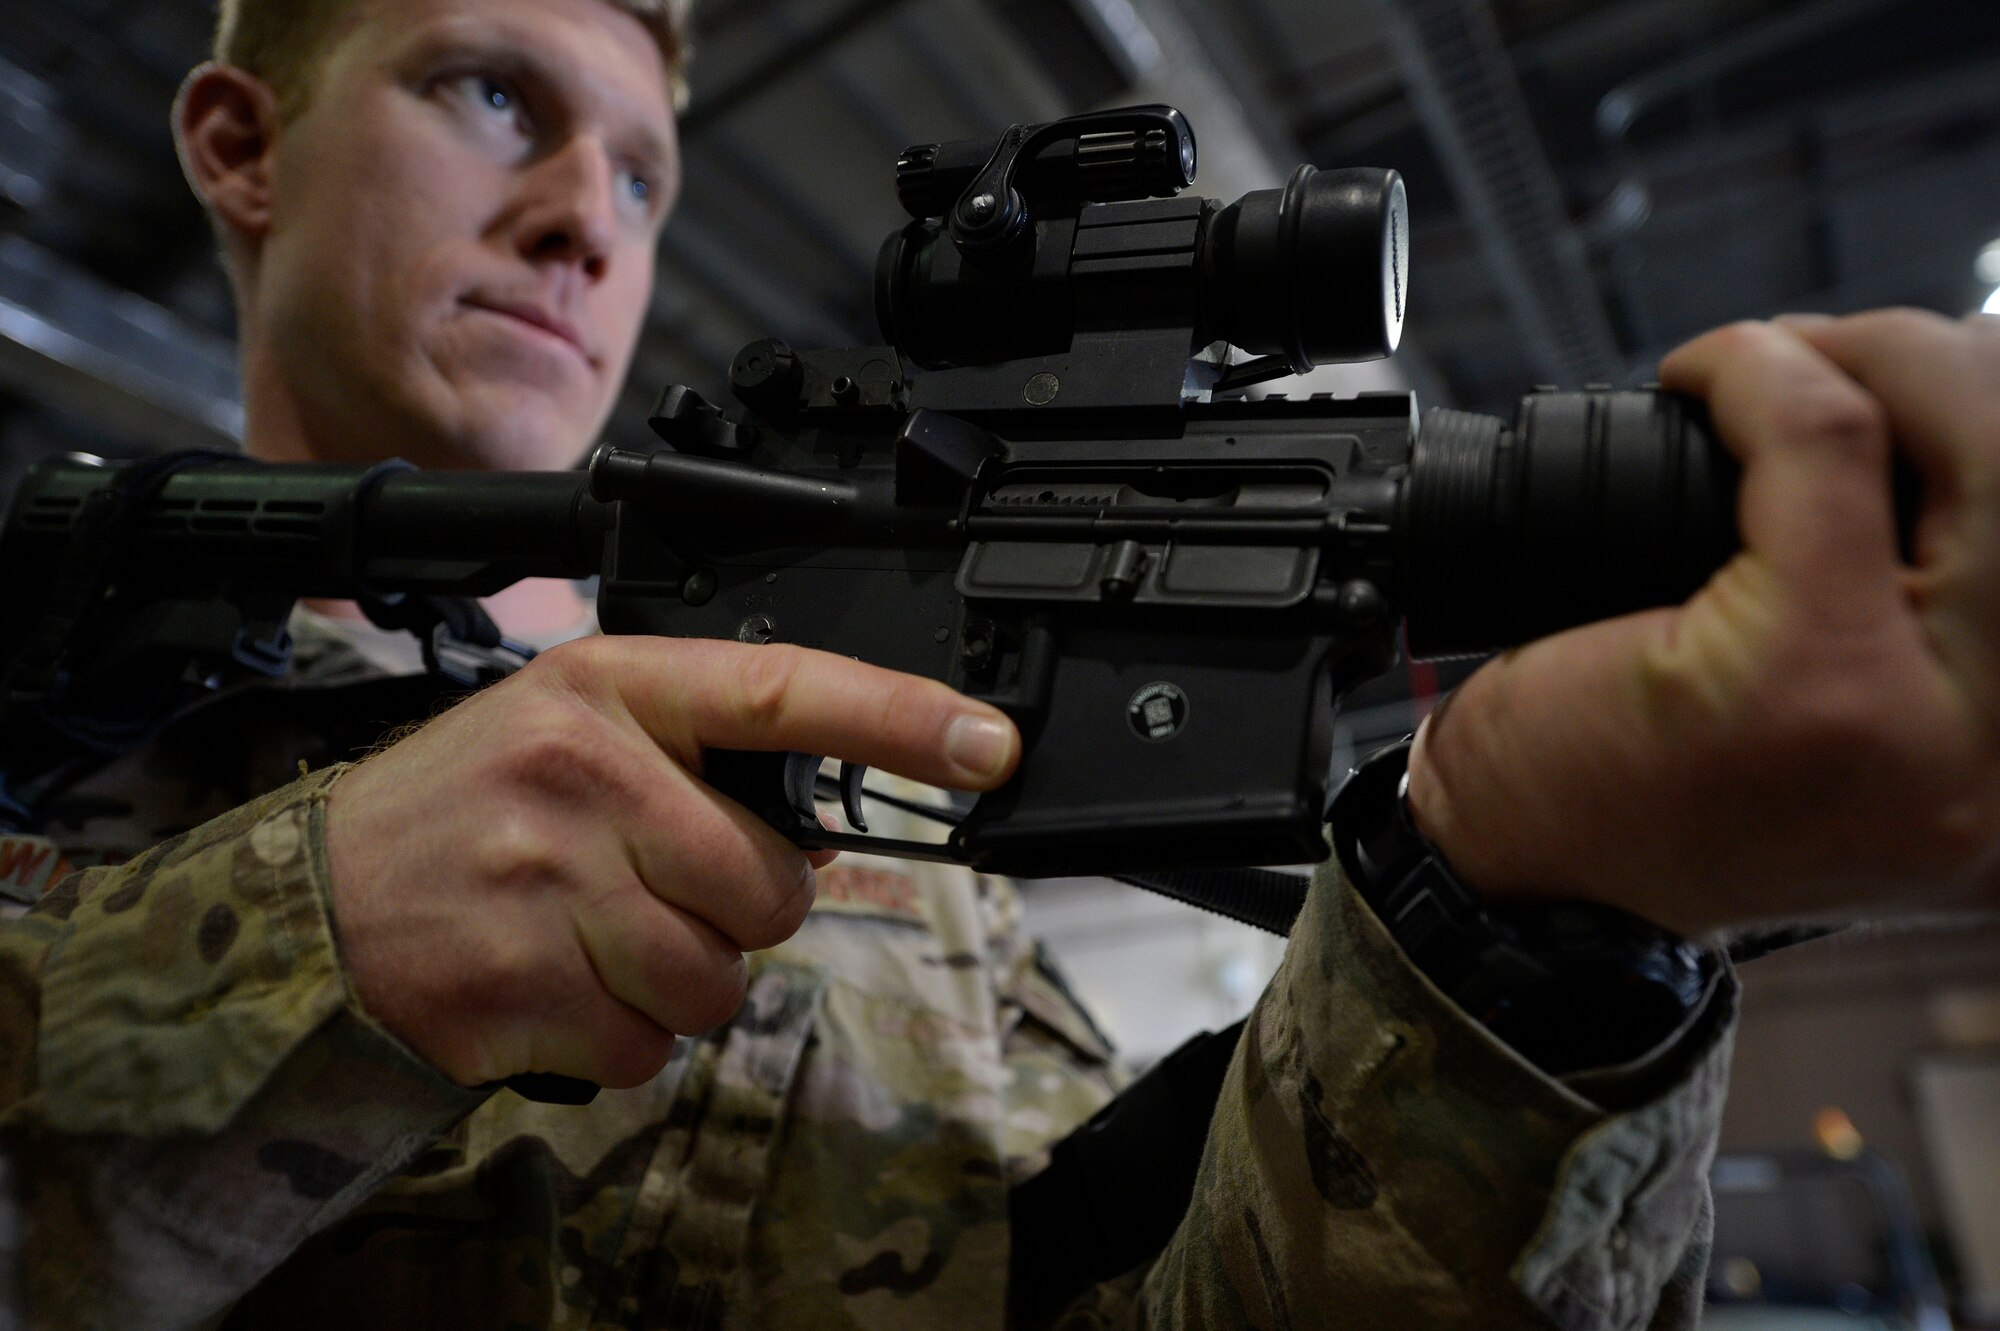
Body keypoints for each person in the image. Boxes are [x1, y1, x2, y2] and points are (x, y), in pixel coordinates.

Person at [0, 0, 1992, 1327]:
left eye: (638, 172)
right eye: (493, 93)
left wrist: (1525, 926)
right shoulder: (58, 721)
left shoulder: (887, 844)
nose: (578, 223)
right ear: (239, 143)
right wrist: (306, 942)